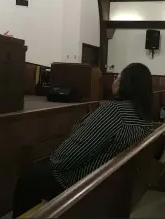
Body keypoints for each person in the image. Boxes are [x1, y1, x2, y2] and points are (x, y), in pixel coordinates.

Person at [12, 63, 154, 217]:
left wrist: (54, 160)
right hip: (112, 183)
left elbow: (68, 157)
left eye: (118, 77)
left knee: (28, 181)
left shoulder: (114, 112)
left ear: (125, 85)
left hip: (84, 182)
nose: (114, 81)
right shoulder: (143, 118)